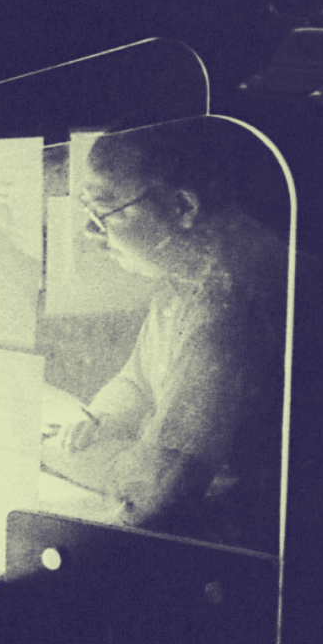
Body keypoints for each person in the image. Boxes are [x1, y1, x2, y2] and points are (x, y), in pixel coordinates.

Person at [40, 118, 289, 549]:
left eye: (102, 212)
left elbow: (155, 492)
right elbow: (138, 380)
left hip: (248, 547)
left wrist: (47, 449)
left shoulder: (231, 299)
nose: (89, 233)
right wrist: (94, 418)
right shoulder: (189, 277)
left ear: (182, 207)